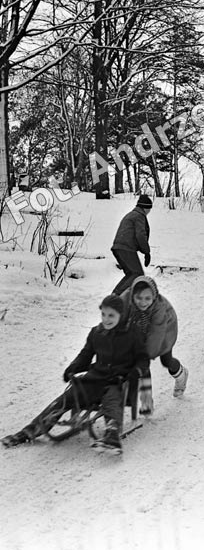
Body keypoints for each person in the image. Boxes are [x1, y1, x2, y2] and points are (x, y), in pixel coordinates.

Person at [1, 295, 149, 455]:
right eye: (104, 314)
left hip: (118, 381)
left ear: (121, 315)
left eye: (111, 315)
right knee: (64, 400)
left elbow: (143, 358)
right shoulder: (97, 333)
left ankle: (112, 436)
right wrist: (73, 368)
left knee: (111, 401)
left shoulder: (132, 334)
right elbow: (86, 355)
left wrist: (136, 372)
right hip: (94, 380)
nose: (106, 319)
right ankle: (29, 431)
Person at [120, 276, 187, 416]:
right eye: (138, 298)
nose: (142, 302)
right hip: (138, 327)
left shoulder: (160, 309)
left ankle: (181, 374)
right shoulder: (125, 299)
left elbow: (156, 334)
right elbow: (117, 319)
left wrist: (143, 357)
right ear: (132, 294)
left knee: (165, 360)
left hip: (165, 329)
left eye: (147, 298)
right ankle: (146, 401)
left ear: (154, 297)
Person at [111, 194, 153, 295]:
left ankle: (116, 296)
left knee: (131, 274)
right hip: (125, 248)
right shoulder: (139, 216)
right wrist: (147, 252)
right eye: (149, 208)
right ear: (145, 208)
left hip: (119, 247)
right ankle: (116, 297)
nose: (149, 211)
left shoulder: (132, 214)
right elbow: (140, 235)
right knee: (137, 274)